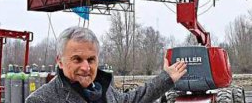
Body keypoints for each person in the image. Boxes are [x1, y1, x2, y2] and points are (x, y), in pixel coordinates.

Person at [26, 26, 187, 103]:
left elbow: (133, 100)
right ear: (60, 61)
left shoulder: (102, 90)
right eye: (77, 59)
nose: (85, 67)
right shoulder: (41, 100)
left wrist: (166, 78)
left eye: (91, 60)